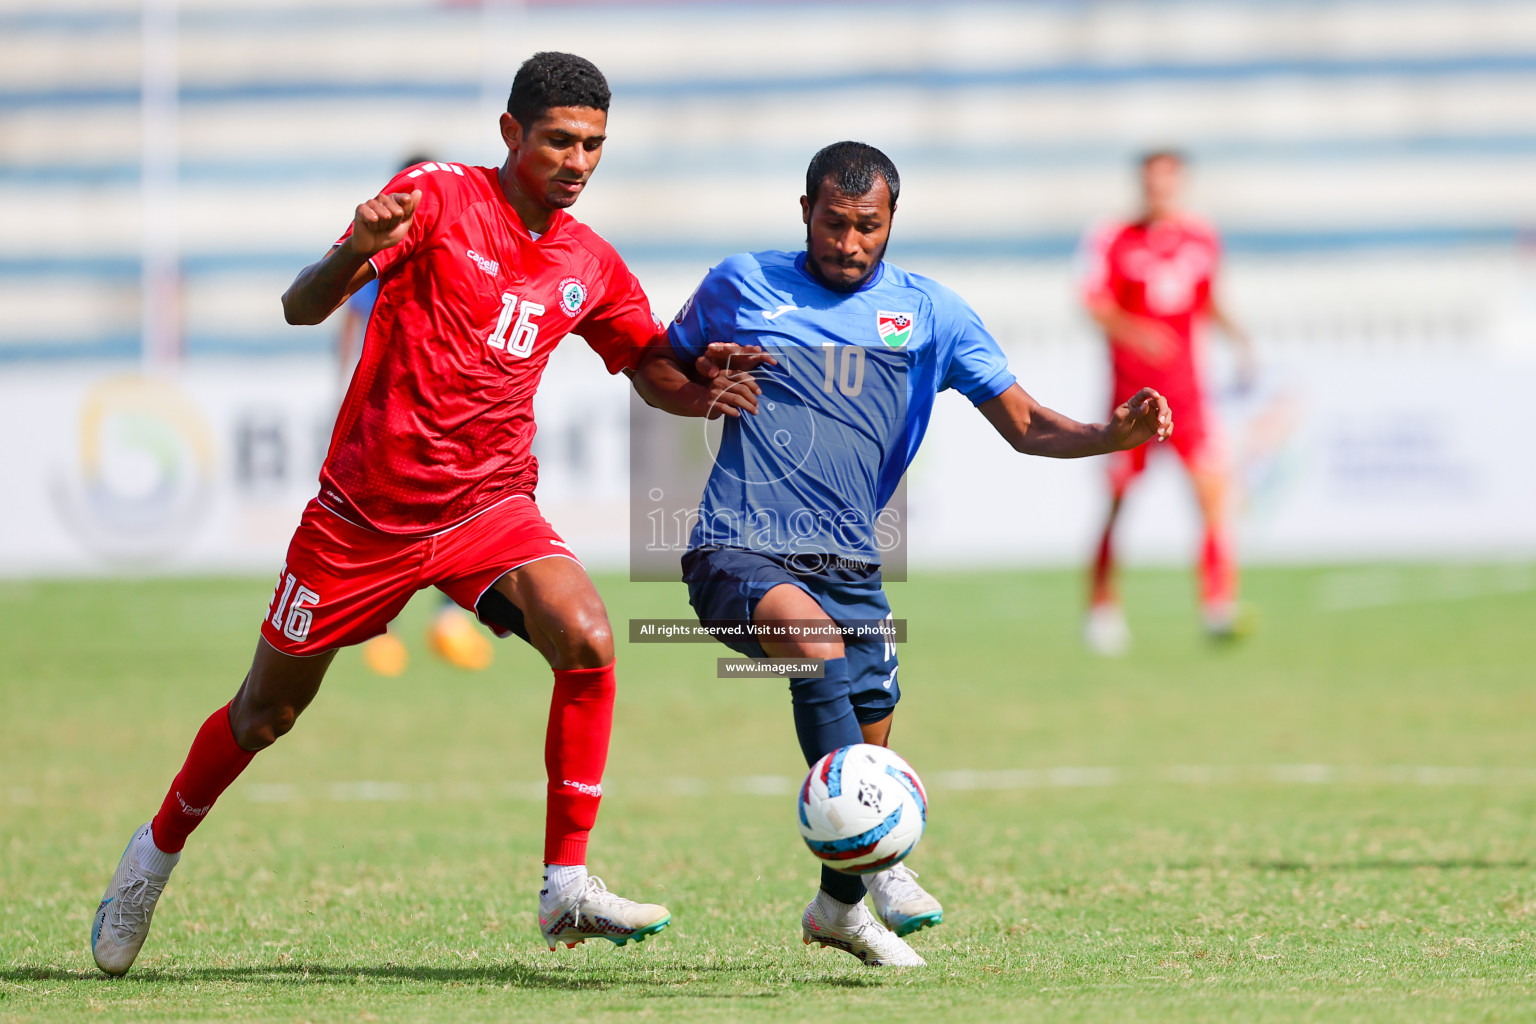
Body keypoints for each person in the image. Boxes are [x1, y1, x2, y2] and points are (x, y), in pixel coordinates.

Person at [88, 51, 750, 977]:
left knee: (589, 636)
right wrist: (355, 248)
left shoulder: (589, 261)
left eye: (595, 144)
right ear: (511, 133)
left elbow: (651, 372)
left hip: (488, 507)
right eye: (560, 140)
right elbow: (298, 308)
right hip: (363, 518)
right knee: (264, 714)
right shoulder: (435, 197)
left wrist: (704, 392)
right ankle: (149, 861)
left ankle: (566, 881)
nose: (579, 160)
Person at [638, 142, 1172, 967]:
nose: (847, 242)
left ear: (891, 223)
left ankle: (838, 908)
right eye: (832, 223)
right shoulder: (742, 283)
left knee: (872, 732)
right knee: (813, 653)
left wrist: (1111, 435)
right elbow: (656, 369)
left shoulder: (932, 314)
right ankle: (887, 867)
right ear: (805, 211)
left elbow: (1025, 425)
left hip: (852, 562)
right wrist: (699, 389)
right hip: (738, 546)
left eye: (867, 227)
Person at [1079, 150, 1255, 655]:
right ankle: (1102, 608)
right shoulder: (1114, 237)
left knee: (1212, 495)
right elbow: (1093, 303)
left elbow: (1209, 298)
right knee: (1116, 504)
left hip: (1189, 397)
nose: (1160, 190)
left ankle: (1218, 604)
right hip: (1131, 403)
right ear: (1141, 184)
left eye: (1168, 181)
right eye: (1151, 181)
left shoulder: (1202, 237)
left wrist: (1237, 336)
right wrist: (1137, 333)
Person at [332, 152, 496, 678]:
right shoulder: (385, 251)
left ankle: (447, 620)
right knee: (381, 522)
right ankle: (378, 629)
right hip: (390, 414)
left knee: (472, 511)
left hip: (458, 418)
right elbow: (350, 314)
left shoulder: (465, 250)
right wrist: (346, 387)